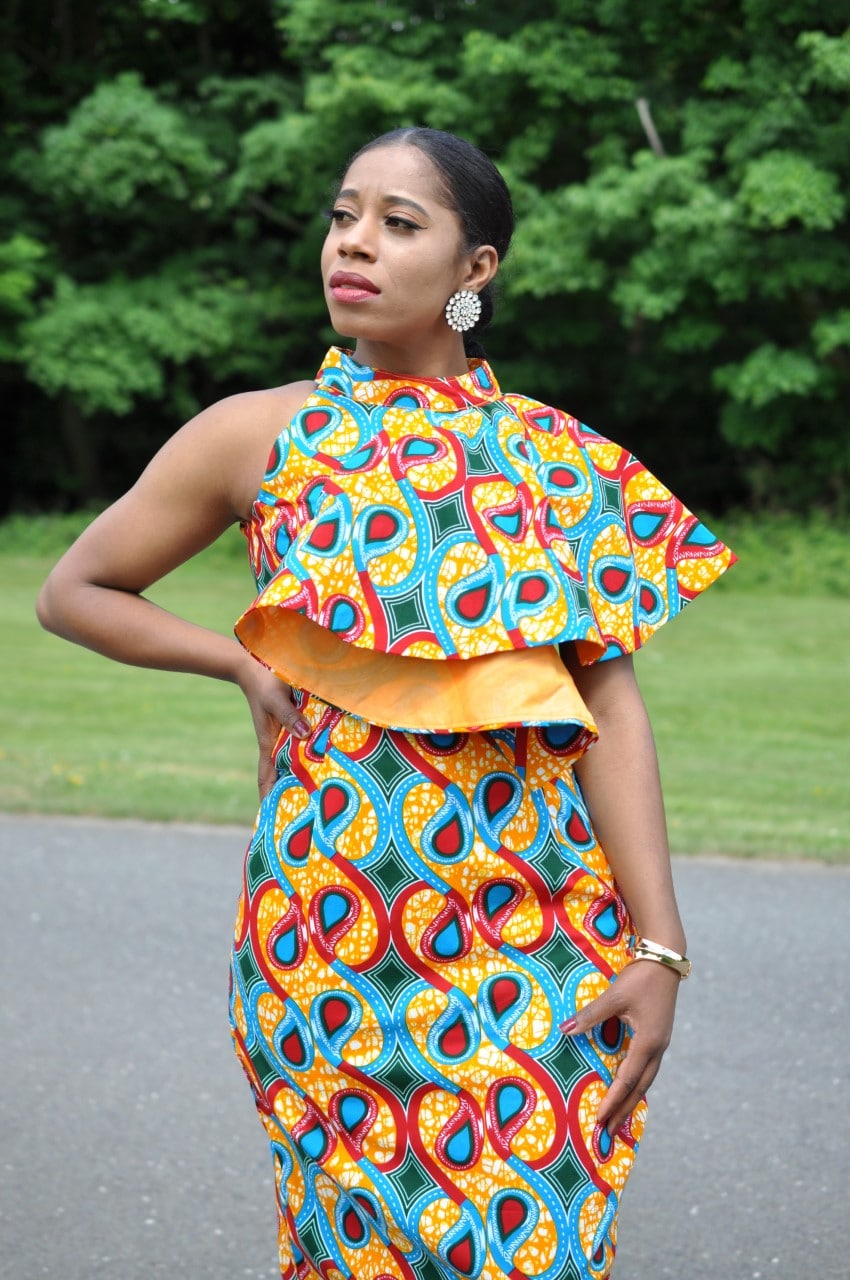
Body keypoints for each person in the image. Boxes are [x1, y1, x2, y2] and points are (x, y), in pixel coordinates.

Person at [37, 126, 734, 1280]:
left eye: (399, 223)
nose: (352, 243)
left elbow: (608, 703)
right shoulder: (260, 434)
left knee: (538, 1243)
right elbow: (77, 590)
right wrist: (240, 661)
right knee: (357, 1252)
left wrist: (659, 946)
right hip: (329, 940)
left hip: (535, 934)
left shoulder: (557, 461)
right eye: (342, 215)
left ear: (475, 269)